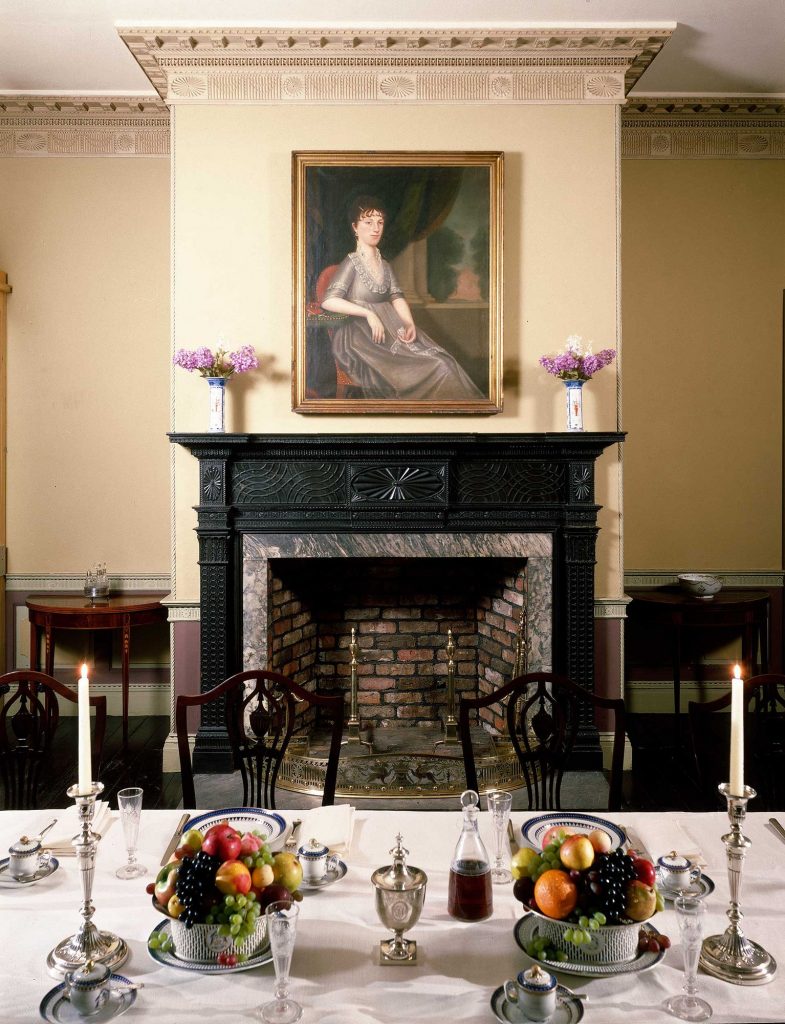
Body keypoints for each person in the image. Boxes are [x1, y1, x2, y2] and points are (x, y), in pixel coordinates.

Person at [319, 196, 484, 401]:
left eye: (380, 222)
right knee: (436, 367)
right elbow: (329, 301)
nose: (375, 228)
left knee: (444, 362)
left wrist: (409, 323)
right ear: (355, 227)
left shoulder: (385, 265)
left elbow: (397, 297)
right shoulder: (351, 262)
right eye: (368, 222)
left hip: (391, 328)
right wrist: (368, 313)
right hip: (361, 336)